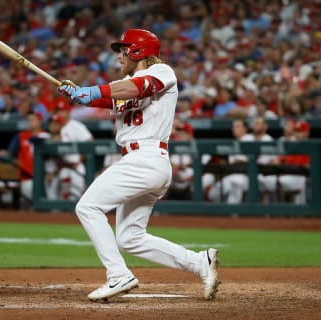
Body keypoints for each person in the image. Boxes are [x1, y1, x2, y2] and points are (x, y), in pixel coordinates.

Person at [57, 28, 219, 302]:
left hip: (146, 158)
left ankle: (118, 274)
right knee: (130, 238)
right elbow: (109, 96)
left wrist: (91, 90)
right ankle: (200, 262)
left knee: (87, 206)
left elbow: (136, 88)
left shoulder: (162, 71)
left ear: (138, 51)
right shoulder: (124, 85)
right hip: (139, 161)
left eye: (124, 49)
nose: (119, 56)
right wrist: (78, 93)